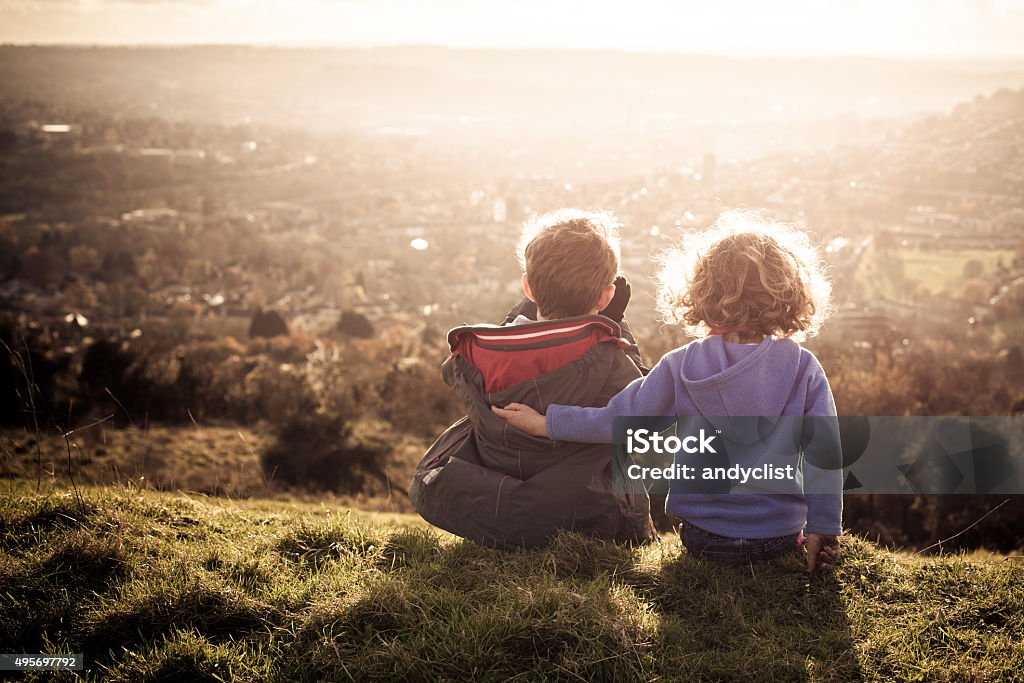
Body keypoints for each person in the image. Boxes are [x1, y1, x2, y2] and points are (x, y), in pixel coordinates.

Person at [493, 211, 843, 571]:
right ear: (788, 293)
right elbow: (825, 458)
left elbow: (617, 422)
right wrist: (824, 528)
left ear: (702, 292)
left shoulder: (681, 366)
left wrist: (546, 422)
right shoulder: (803, 368)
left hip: (703, 537)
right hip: (778, 536)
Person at [409, 209, 657, 550]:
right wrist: (615, 324)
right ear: (606, 296)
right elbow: (642, 404)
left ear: (528, 287)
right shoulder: (611, 359)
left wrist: (518, 316)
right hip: (585, 509)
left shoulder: (481, 354)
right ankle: (644, 536)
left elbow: (451, 372)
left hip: (498, 494)